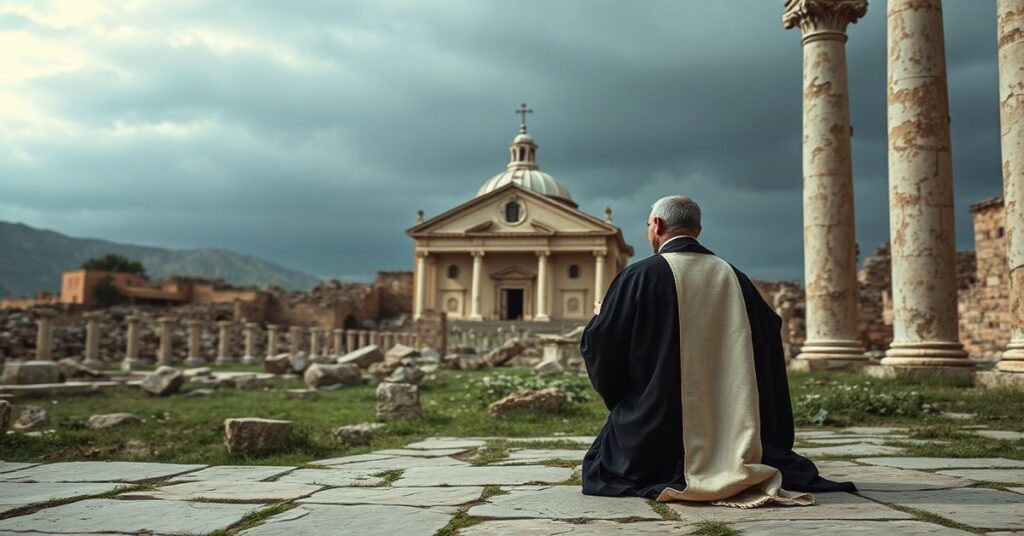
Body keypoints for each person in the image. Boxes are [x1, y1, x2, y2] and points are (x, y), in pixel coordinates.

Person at [580, 195, 854, 508]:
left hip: (653, 437)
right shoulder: (736, 278)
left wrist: (601, 318)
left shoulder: (637, 277)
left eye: (648, 226)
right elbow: (768, 335)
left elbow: (603, 345)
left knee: (599, 469)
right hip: (735, 427)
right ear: (698, 228)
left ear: (657, 225)